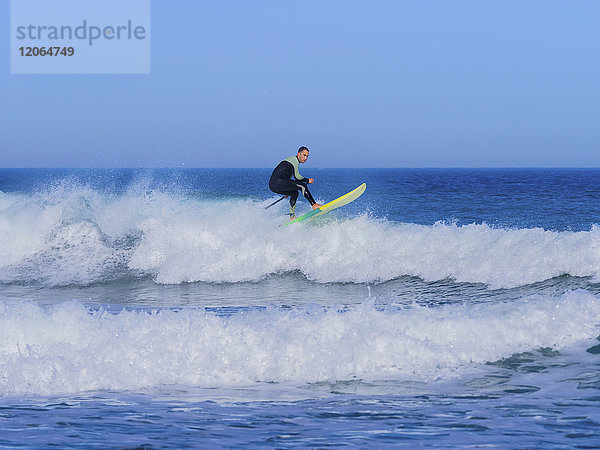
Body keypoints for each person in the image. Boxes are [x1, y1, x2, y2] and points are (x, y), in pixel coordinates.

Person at [269, 146, 322, 219]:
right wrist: (308, 180)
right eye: (304, 155)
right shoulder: (294, 160)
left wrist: (286, 190)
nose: (306, 158)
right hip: (278, 182)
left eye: (307, 156)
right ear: (298, 154)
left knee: (294, 193)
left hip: (274, 185)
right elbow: (297, 177)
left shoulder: (291, 161)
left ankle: (292, 216)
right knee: (302, 186)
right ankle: (314, 205)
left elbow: (287, 177)